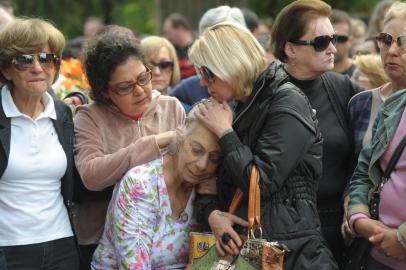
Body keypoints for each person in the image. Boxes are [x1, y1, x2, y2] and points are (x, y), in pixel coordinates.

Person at [189, 22, 337, 269]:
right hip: (240, 248)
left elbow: (260, 184)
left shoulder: (287, 101)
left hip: (290, 252)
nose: (203, 82)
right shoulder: (234, 104)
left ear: (230, 65)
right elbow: (206, 179)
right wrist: (213, 215)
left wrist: (225, 133)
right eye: (200, 74)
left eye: (208, 73)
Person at [73, 32, 185, 269]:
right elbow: (90, 175)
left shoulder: (171, 107)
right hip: (100, 241)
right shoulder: (89, 117)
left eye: (143, 78)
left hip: (165, 242)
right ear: (105, 91)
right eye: (125, 87)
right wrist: (152, 144)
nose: (140, 90)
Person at [270, 0, 363, 266]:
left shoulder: (342, 88)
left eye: (333, 39)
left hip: (340, 228)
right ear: (290, 48)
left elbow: (368, 154)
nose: (333, 48)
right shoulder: (264, 94)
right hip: (286, 234)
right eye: (321, 42)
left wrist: (354, 196)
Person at [91, 103, 221, 269]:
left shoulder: (207, 187)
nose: (202, 165)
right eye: (196, 150)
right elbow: (134, 266)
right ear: (181, 135)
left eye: (214, 158)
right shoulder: (141, 183)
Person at [0, 18, 79, 269]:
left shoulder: (63, 113)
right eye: (25, 60)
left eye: (46, 58)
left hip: (62, 244)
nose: (37, 68)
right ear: (6, 69)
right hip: (8, 249)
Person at [348, 88, 406, 269]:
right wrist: (359, 217)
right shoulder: (397, 102)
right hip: (376, 253)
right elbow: (366, 169)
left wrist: (402, 238)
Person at [348, 0, 406, 160]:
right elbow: (351, 170)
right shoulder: (361, 103)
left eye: (403, 41)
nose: (392, 50)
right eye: (386, 40)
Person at [169, 5, 246, 113]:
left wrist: (224, 130)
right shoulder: (188, 89)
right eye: (208, 41)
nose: (215, 48)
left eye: (224, 39)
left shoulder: (265, 87)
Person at [163, 13, 196, 79]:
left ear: (180, 29)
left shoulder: (200, 44)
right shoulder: (169, 50)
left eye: (169, 32)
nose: (167, 37)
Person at [331, 9, 356, 77]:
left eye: (340, 39)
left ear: (350, 41)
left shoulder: (360, 74)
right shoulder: (313, 74)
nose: (333, 44)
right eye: (329, 38)